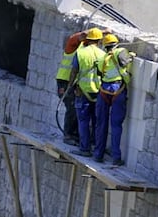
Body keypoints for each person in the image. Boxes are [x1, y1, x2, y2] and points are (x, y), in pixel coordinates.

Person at [93, 34, 135, 166]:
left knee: (101, 124)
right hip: (118, 90)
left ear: (105, 46)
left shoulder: (102, 58)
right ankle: (116, 157)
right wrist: (132, 56)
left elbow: (100, 73)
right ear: (116, 43)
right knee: (116, 125)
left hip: (104, 90)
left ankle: (98, 154)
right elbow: (124, 61)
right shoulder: (121, 51)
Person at [68, 28, 106, 157]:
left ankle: (85, 149)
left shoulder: (81, 53)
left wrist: (70, 86)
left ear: (87, 39)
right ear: (99, 40)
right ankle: (96, 148)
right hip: (99, 92)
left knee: (83, 120)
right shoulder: (103, 54)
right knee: (97, 121)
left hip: (83, 91)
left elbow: (74, 71)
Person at [56, 29, 89, 145]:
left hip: (74, 83)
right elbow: (76, 38)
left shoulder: (86, 50)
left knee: (76, 108)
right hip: (64, 82)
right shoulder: (72, 46)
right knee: (71, 107)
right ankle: (68, 135)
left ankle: (74, 135)